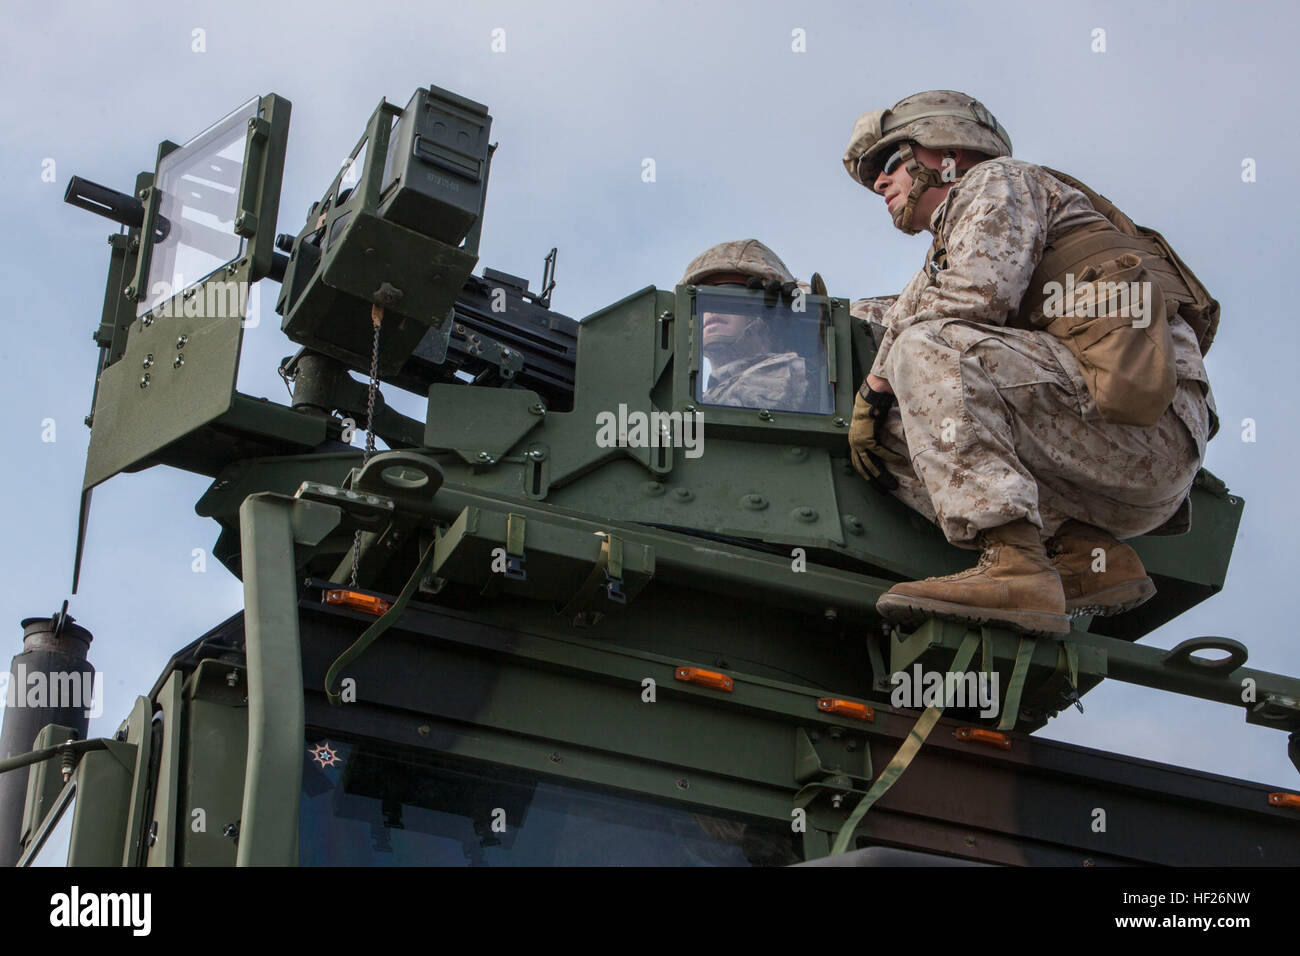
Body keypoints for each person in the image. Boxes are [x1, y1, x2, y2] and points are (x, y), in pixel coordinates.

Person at [840, 91, 1218, 636]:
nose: (879, 182)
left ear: (949, 149)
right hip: (1106, 465)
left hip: (1146, 430)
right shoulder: (954, 242)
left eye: (890, 162)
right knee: (892, 426)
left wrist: (871, 389)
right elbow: (890, 312)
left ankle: (1016, 565)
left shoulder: (1000, 181)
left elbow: (968, 299)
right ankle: (1081, 557)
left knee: (927, 349)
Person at [681, 239, 815, 412]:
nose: (712, 309)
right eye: (700, 299)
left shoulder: (795, 371)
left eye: (730, 294)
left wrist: (817, 348)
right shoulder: (702, 396)